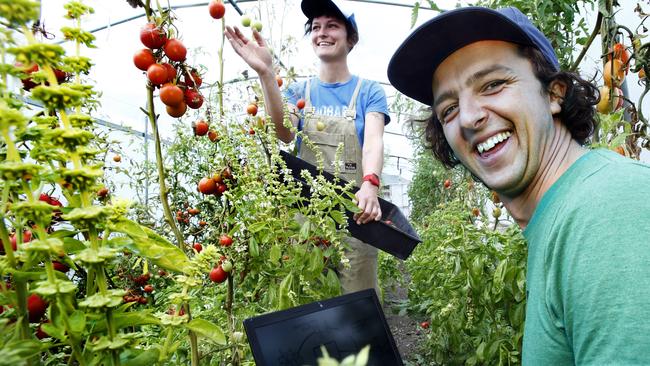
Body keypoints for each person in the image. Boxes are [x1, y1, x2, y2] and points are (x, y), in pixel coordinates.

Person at [387, 6, 650, 365]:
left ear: (554, 93)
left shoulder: (608, 211)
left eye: (493, 84)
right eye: (448, 109)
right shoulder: (565, 215)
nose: (468, 117)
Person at [225, 0, 390, 295]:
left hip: (356, 216)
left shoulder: (368, 92)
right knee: (310, 301)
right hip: (307, 220)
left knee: (360, 304)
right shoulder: (300, 92)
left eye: (332, 26)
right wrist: (266, 72)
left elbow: (374, 141)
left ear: (350, 38)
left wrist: (370, 183)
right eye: (316, 27)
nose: (322, 33)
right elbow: (285, 132)